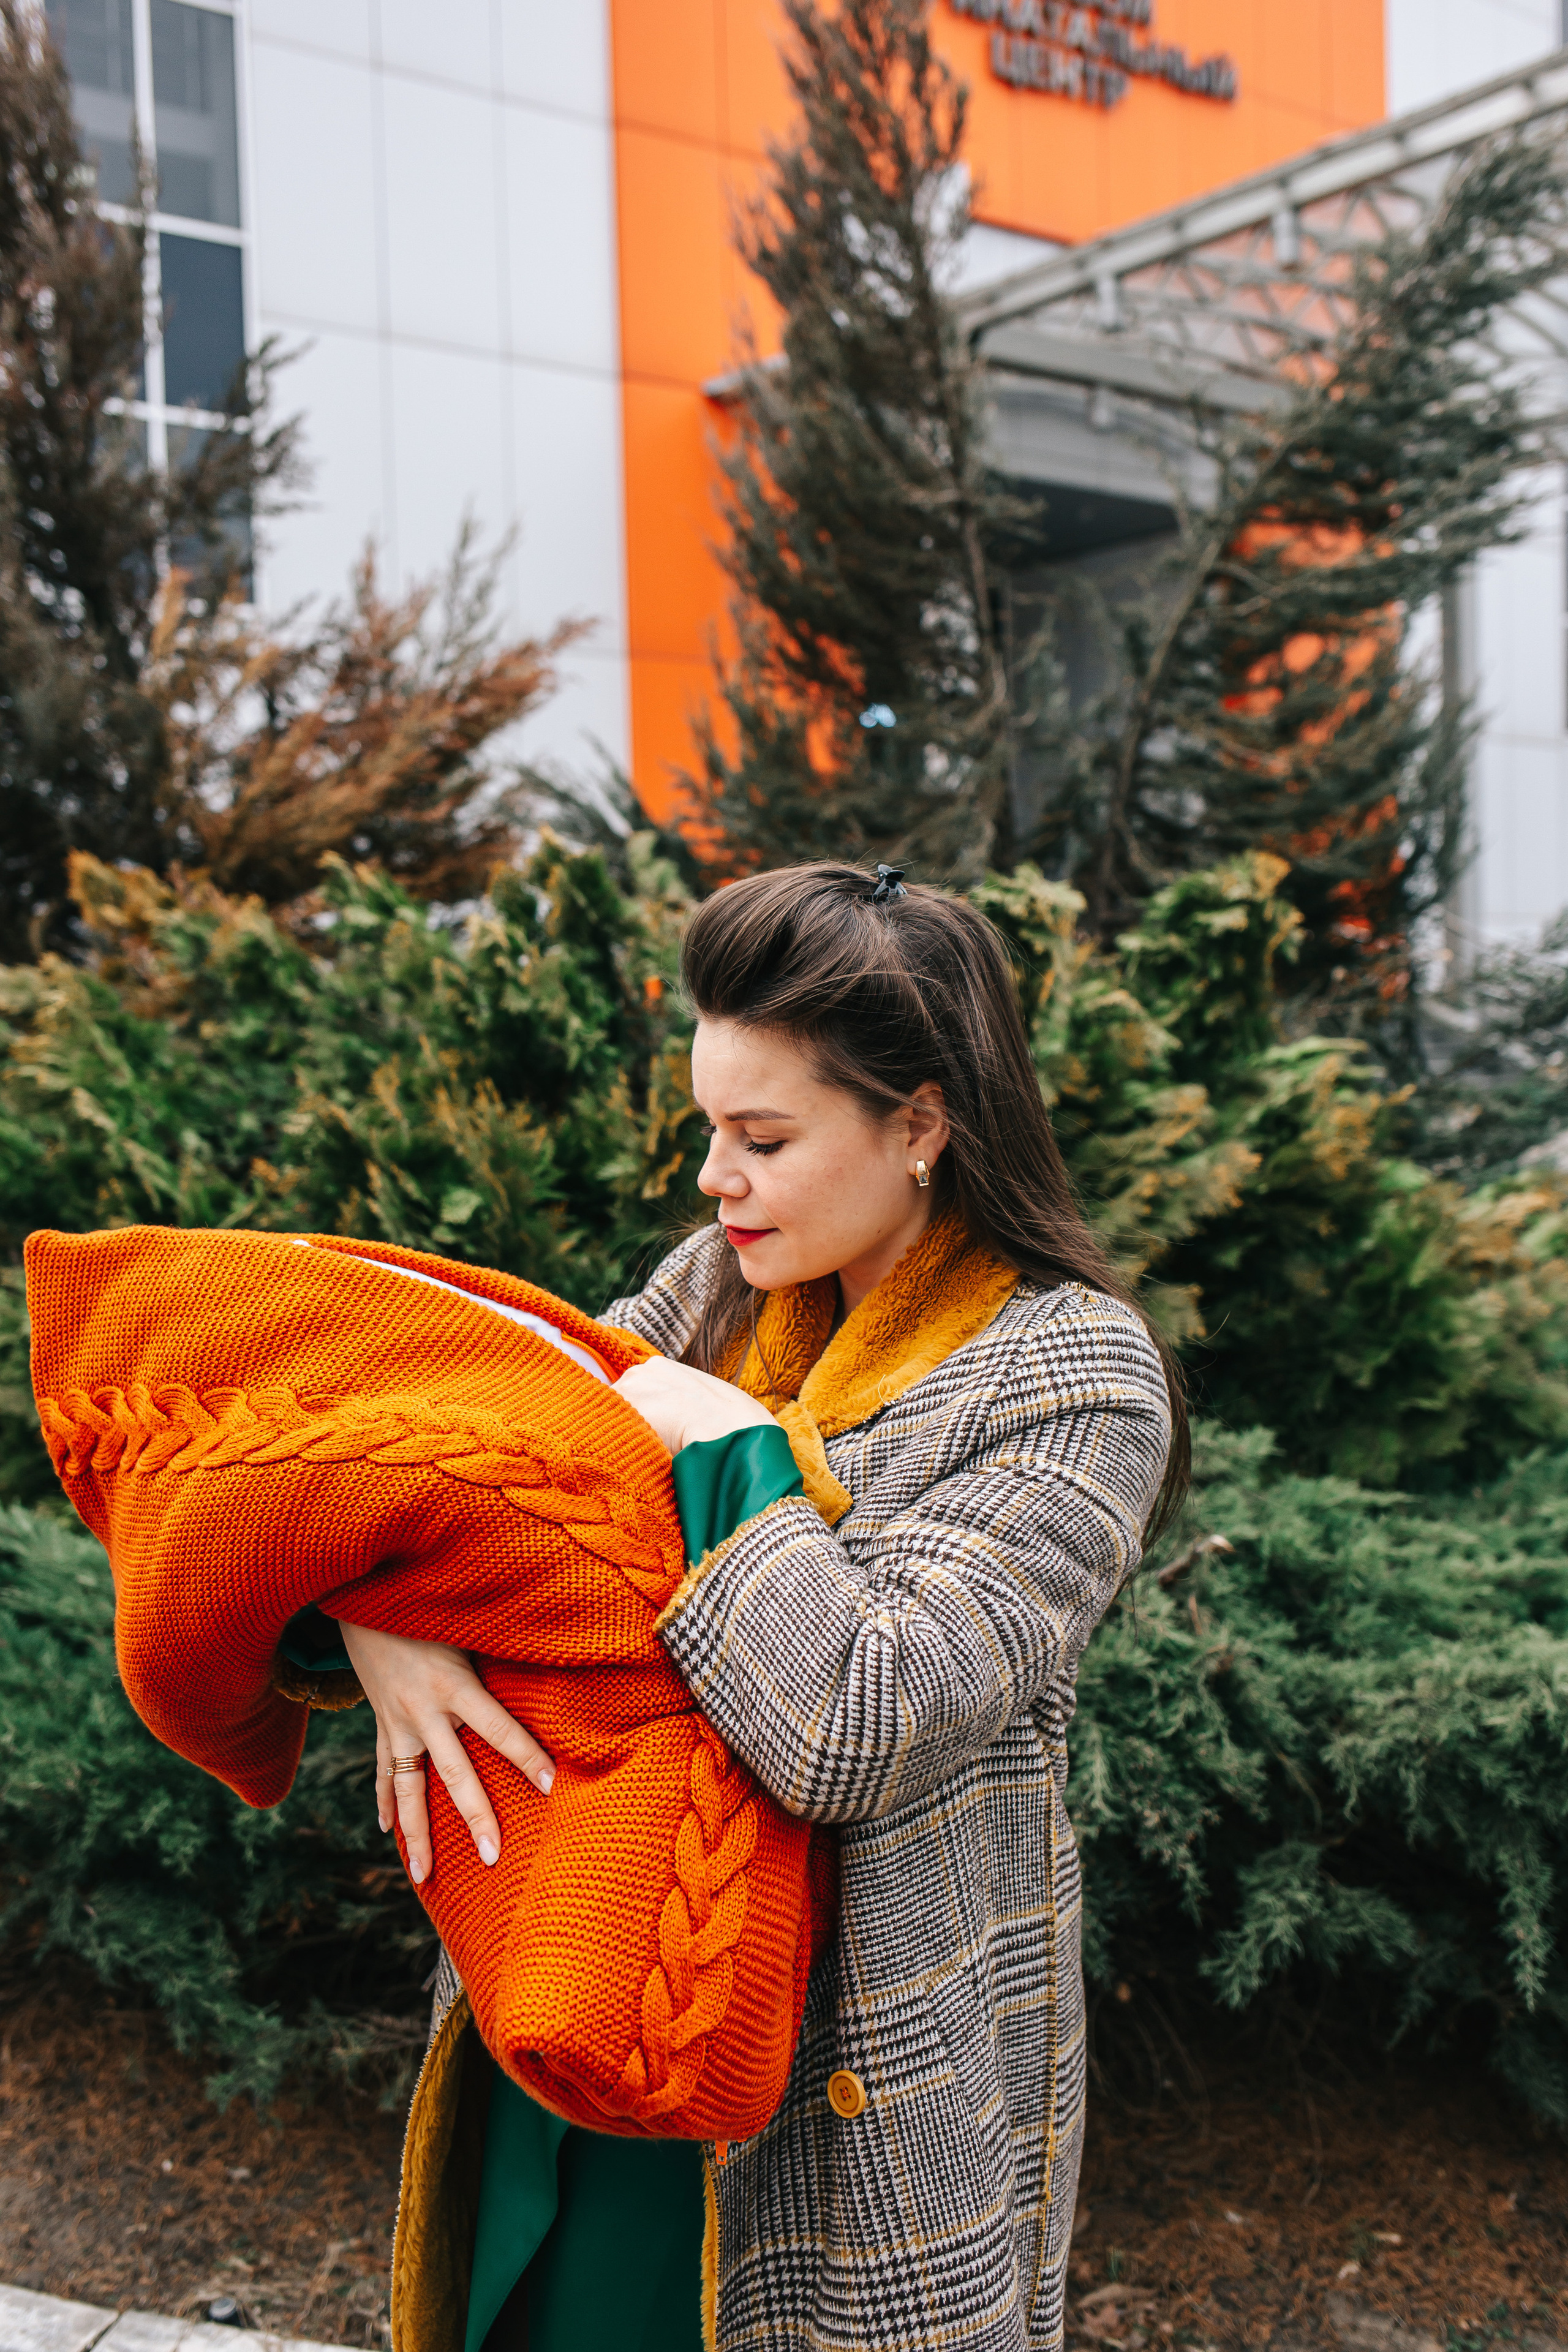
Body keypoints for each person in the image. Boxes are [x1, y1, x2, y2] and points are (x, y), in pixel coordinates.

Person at [335, 862, 1186, 2352]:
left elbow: (856, 1720)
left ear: (918, 1123)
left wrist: (713, 1439)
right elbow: (468, 1479)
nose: (713, 1179)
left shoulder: (1072, 1381)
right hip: (589, 1978)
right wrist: (376, 1620)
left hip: (840, 2084)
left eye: (762, 1137)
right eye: (707, 1129)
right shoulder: (723, 1285)